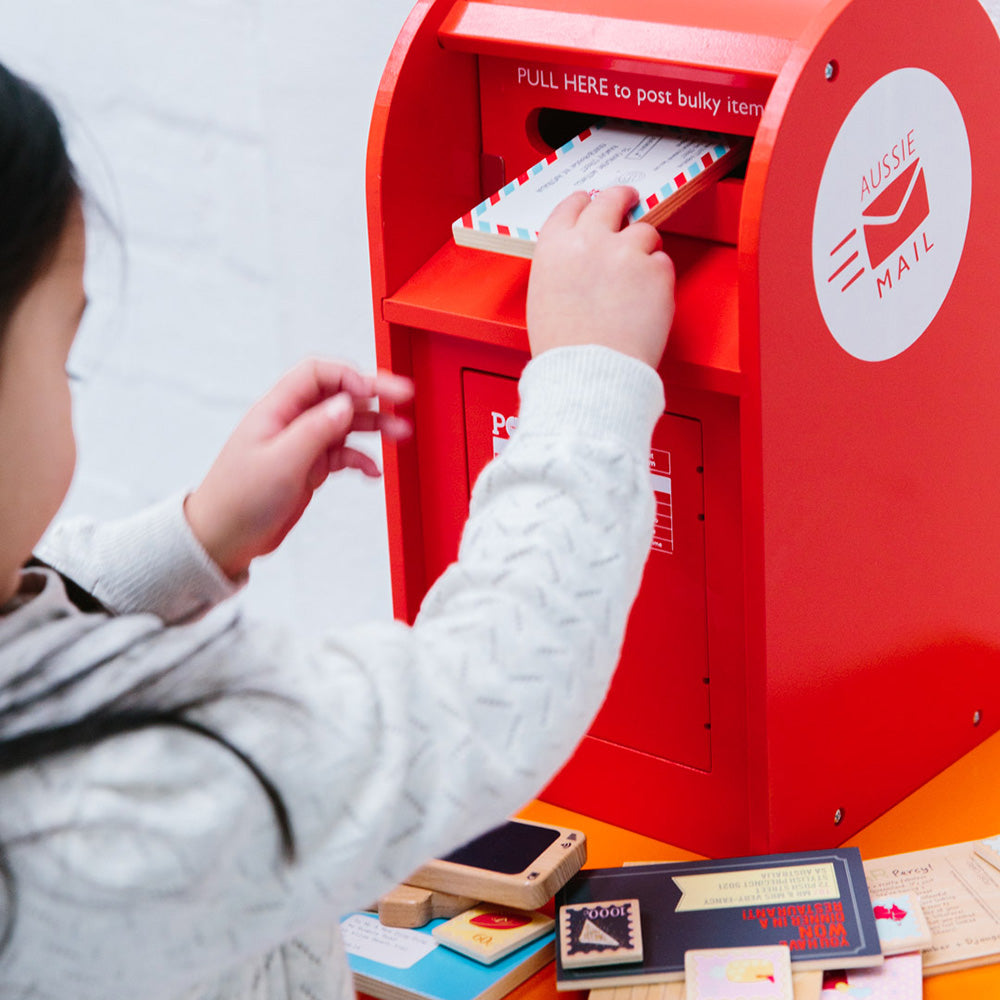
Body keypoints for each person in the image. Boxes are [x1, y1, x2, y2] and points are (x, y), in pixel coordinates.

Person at [0, 62, 675, 1000]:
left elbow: (33, 596)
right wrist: (590, 375)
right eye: (63, 361)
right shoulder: (131, 799)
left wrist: (196, 539)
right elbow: (475, 701)